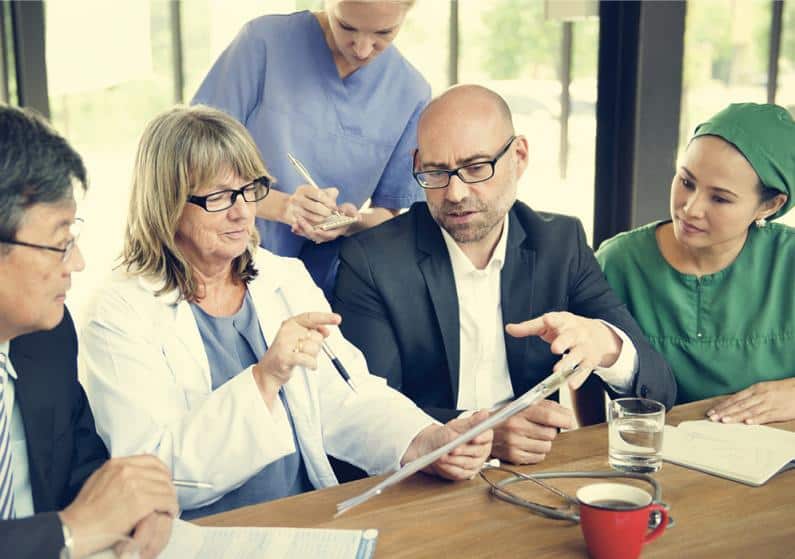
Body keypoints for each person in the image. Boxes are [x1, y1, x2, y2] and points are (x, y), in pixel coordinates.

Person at [79, 105, 492, 519]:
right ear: (166, 203)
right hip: (200, 534)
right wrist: (264, 379)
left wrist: (424, 441)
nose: (243, 211)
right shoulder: (119, 312)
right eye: (220, 196)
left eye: (250, 189)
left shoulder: (284, 279)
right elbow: (154, 475)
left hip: (304, 516)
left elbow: (348, 397)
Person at [332, 85, 676, 466]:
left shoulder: (560, 245)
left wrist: (609, 345)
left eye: (477, 168)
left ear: (519, 156)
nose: (456, 193)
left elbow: (659, 392)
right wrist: (485, 432)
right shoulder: (372, 259)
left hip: (535, 474)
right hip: (421, 481)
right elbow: (364, 411)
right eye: (435, 172)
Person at [0, 106, 177, 559]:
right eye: (60, 244)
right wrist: (69, 531)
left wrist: (135, 508)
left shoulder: (45, 340)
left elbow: (83, 473)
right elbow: (77, 520)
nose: (76, 264)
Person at [192, 0, 428, 296]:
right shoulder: (263, 42)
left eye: (384, 33)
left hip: (320, 282)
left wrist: (348, 223)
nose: (363, 49)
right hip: (223, 260)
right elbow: (194, 161)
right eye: (347, 26)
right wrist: (285, 207)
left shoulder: (411, 92)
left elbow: (389, 214)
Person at [597, 103, 795, 425]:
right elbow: (584, 376)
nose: (690, 208)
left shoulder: (789, 262)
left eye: (720, 198)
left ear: (769, 205)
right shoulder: (617, 263)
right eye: (686, 182)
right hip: (655, 462)